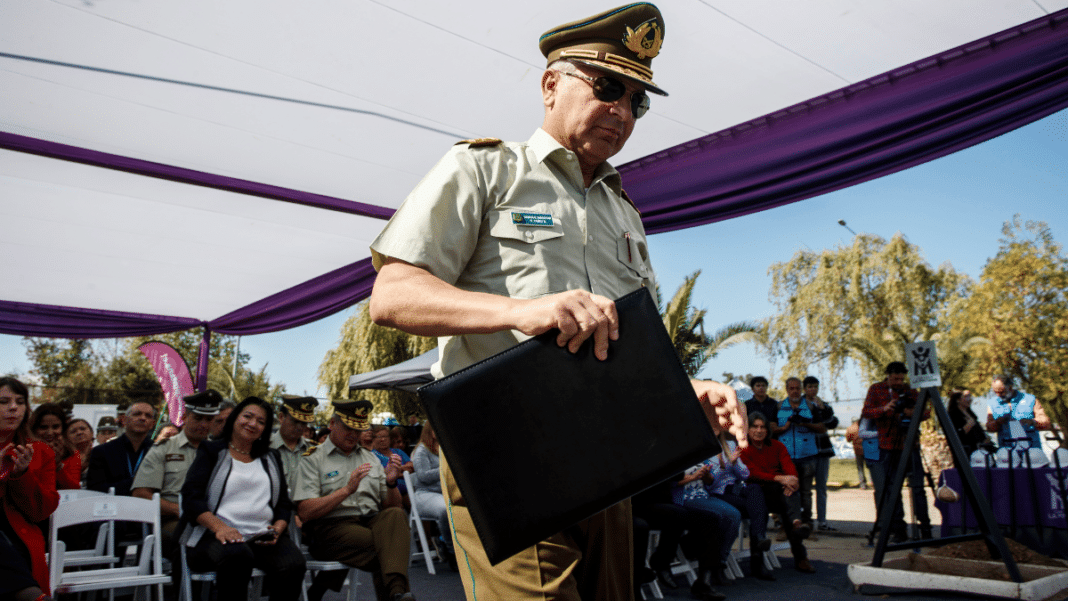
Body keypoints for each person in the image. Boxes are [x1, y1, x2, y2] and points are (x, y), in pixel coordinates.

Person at [366, 5, 746, 599]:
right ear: (551, 84)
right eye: (608, 87)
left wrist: (687, 390)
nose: (622, 110)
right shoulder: (486, 169)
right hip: (505, 446)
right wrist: (522, 310)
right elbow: (393, 295)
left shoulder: (625, 212)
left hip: (610, 452)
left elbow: (631, 342)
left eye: (637, 100)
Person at [179, 396, 306, 601]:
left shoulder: (271, 457)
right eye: (247, 416)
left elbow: (283, 503)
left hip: (261, 537)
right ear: (235, 418)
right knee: (237, 556)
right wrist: (220, 527)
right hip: (214, 536)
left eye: (261, 421)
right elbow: (191, 499)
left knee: (294, 564)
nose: (253, 424)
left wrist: (279, 527)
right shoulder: (211, 451)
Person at [294, 401, 412, 601]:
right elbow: (305, 511)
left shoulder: (371, 458)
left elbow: (393, 506)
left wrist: (391, 483)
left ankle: (396, 593)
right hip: (332, 527)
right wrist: (346, 490)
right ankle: (398, 593)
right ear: (332, 424)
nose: (354, 434)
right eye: (348, 428)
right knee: (391, 548)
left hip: (371, 522)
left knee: (396, 515)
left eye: (358, 429)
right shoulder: (313, 459)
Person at [132, 389, 220, 552]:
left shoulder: (220, 452)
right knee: (200, 540)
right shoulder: (164, 449)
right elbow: (141, 494)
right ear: (185, 417)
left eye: (209, 419)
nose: (203, 424)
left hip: (214, 520)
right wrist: (177, 509)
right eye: (198, 418)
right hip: (173, 520)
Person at [1, 376, 60, 601]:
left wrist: (20, 475)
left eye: (20, 401)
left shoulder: (40, 451)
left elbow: (41, 512)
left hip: (17, 539)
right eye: (3, 401)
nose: (13, 407)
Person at [860, 361, 931, 542]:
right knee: (892, 490)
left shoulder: (910, 390)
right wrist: (885, 408)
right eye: (895, 378)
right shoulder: (876, 389)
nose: (899, 382)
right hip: (887, 445)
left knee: (918, 488)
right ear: (888, 375)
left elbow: (926, 412)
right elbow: (867, 412)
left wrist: (911, 411)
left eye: (902, 378)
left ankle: (926, 528)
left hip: (910, 443)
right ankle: (899, 530)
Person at [738, 412, 814, 574]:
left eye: (763, 427)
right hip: (754, 493)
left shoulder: (777, 446)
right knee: (761, 498)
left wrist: (792, 480)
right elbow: (751, 473)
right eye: (755, 427)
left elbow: (789, 466)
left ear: (767, 430)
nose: (759, 430)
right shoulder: (742, 449)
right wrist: (780, 478)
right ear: (747, 429)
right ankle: (758, 563)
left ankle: (797, 528)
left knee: (789, 496)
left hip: (776, 493)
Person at [706, 441, 774, 581]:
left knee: (755, 489)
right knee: (761, 509)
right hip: (720, 493)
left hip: (738, 489)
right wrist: (727, 466)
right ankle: (757, 556)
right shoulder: (706, 447)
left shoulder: (730, 444)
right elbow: (710, 485)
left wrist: (735, 463)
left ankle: (758, 543)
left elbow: (745, 475)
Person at [673, 457, 740, 590]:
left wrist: (706, 475)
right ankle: (711, 564)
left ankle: (720, 562)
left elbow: (710, 482)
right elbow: (668, 484)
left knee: (734, 515)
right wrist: (693, 477)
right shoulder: (674, 457)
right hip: (684, 498)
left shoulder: (699, 455)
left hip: (703, 496)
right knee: (718, 517)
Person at [773, 377, 824, 526]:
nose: (795, 391)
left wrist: (805, 423)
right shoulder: (779, 406)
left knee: (806, 492)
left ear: (801, 389)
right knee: (786, 491)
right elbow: (771, 428)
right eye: (791, 388)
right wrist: (785, 426)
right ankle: (786, 525)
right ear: (787, 389)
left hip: (807, 456)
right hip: (786, 457)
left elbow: (822, 428)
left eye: (797, 388)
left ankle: (807, 524)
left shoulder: (810, 406)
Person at [409, 422, 457, 571]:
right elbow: (422, 476)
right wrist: (445, 469)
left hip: (445, 492)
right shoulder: (421, 451)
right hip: (425, 494)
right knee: (444, 509)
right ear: (429, 431)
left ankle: (459, 547)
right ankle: (450, 550)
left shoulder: (445, 447)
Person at [87, 400, 156, 496]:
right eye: (137, 414)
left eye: (148, 416)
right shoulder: (102, 451)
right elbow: (94, 490)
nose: (142, 418)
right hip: (113, 508)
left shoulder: (158, 451)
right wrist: (134, 483)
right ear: (124, 420)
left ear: (152, 424)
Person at [803, 376, 838, 531]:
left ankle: (822, 521)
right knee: (805, 488)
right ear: (805, 388)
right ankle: (806, 520)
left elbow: (831, 422)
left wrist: (822, 408)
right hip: (806, 451)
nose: (813, 390)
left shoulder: (824, 405)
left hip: (823, 450)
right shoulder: (798, 404)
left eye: (815, 387)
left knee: (821, 487)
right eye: (810, 387)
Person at [986, 375, 1051, 449]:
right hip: (1007, 451)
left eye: (1002, 392)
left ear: (1010, 387)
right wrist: (997, 423)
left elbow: (1046, 423)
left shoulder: (1030, 399)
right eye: (995, 392)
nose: (998, 395)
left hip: (1032, 450)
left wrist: (1032, 422)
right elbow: (989, 428)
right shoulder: (992, 403)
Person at [271, 396, 318, 498]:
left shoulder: (314, 450)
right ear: (281, 417)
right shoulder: (264, 446)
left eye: (304, 423)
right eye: (295, 421)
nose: (300, 427)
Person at [29, 403, 81, 490]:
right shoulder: (26, 451)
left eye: (55, 427)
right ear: (34, 428)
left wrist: (58, 465)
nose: (50, 432)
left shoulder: (72, 453)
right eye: (43, 427)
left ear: (63, 428)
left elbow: (73, 489)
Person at [947, 390, 992, 459]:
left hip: (981, 452)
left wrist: (985, 440)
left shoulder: (971, 413)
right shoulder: (953, 415)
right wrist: (968, 425)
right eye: (966, 397)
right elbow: (956, 436)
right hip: (967, 453)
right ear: (958, 400)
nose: (970, 399)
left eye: (970, 396)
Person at [66, 418, 94, 486]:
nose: (79, 433)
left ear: (91, 433)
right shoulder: (63, 459)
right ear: (66, 438)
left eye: (82, 429)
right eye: (73, 431)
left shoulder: (101, 455)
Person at [844, 419, 869, 490]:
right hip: (868, 449)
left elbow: (848, 439)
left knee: (860, 468)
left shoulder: (851, 428)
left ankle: (863, 484)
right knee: (871, 467)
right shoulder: (865, 426)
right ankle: (875, 483)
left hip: (858, 451)